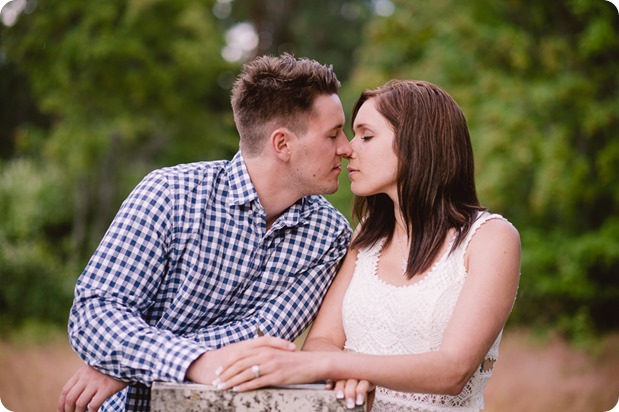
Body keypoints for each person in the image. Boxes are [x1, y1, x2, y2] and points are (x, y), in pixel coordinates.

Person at [57, 53, 354, 412]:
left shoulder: (330, 234)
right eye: (334, 133)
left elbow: (266, 335)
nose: (347, 148)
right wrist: (192, 362)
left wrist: (132, 364)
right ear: (282, 144)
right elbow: (95, 313)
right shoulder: (169, 193)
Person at [212, 80, 522, 412]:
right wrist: (346, 369)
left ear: (417, 143)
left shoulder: (490, 239)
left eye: (366, 136)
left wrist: (339, 366)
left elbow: (452, 369)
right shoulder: (365, 239)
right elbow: (321, 341)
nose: (347, 149)